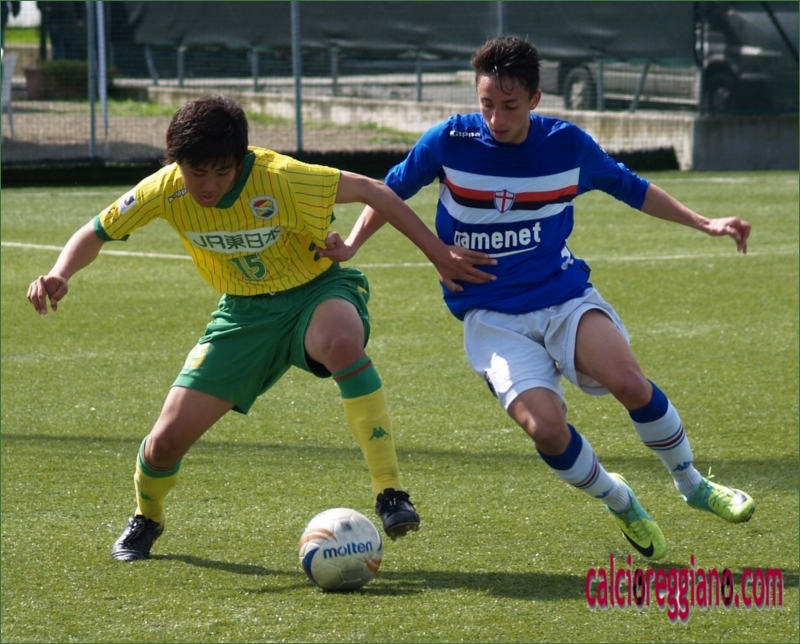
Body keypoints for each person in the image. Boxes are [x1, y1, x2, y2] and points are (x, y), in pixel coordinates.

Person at [319, 36, 755, 561]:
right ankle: (619, 500)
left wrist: (704, 222)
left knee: (629, 382)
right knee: (546, 430)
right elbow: (388, 191)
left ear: (535, 99)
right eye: (486, 104)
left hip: (563, 296)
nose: (496, 119)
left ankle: (692, 485)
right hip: (491, 317)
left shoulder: (566, 145)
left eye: (509, 106)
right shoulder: (449, 140)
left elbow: (631, 187)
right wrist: (354, 244)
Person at [27, 95, 495, 562]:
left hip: (316, 290)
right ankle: (147, 516)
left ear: (242, 160)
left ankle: (390, 491)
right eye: (197, 173)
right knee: (163, 444)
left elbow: (375, 191)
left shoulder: (281, 176)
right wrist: (60, 273)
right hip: (242, 315)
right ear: (176, 163)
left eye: (222, 172)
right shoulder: (163, 189)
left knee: (340, 342)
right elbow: (95, 232)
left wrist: (438, 255)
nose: (209, 185)